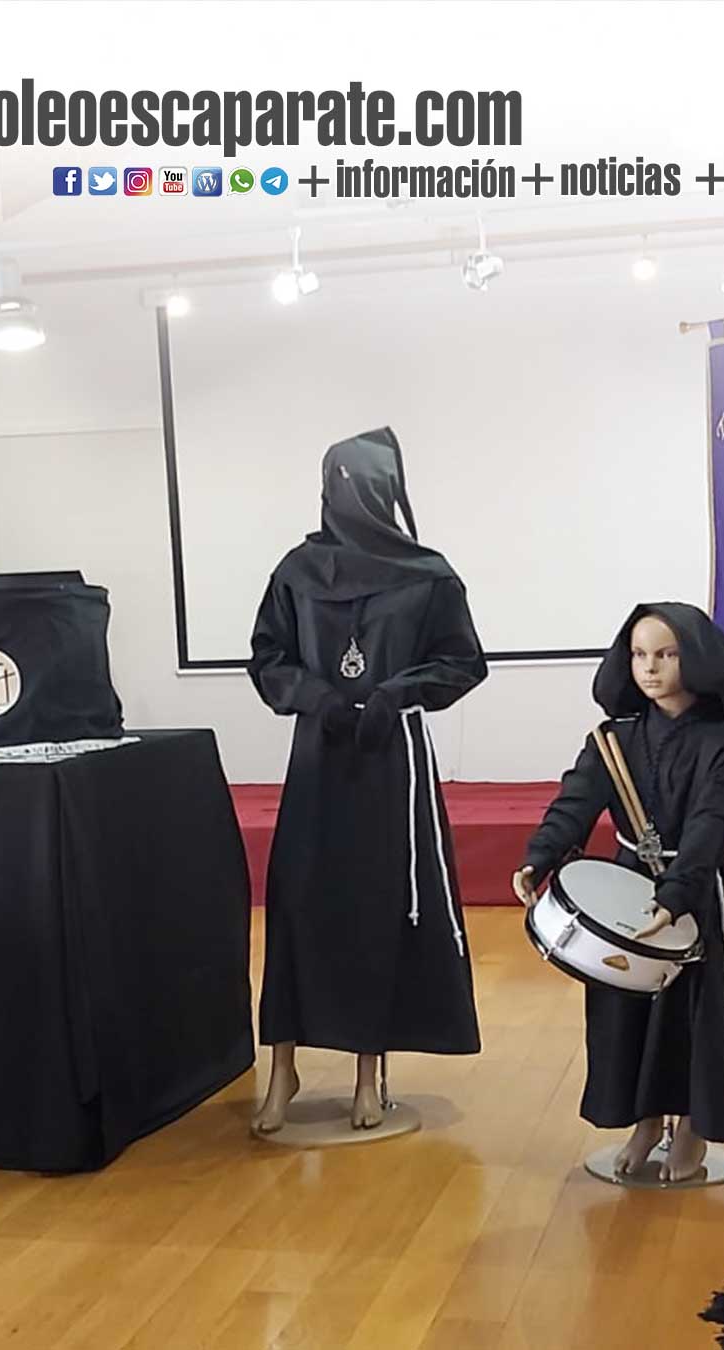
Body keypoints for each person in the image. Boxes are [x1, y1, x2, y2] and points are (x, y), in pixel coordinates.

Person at [249, 428, 487, 1133]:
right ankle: (284, 1066)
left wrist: (397, 692)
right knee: (299, 901)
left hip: (390, 759)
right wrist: (315, 697)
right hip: (319, 758)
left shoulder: (428, 575)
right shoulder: (297, 572)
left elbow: (462, 661)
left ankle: (367, 1069)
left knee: (376, 905)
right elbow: (268, 656)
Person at [515, 602, 724, 1182]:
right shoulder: (613, 739)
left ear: (694, 658)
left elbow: (715, 819)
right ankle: (645, 1122)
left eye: (666, 654)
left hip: (701, 890)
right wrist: (540, 856)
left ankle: (695, 1125)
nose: (650, 667)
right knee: (628, 1010)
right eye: (639, 654)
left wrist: (677, 894)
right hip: (627, 886)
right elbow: (575, 801)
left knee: (698, 1011)